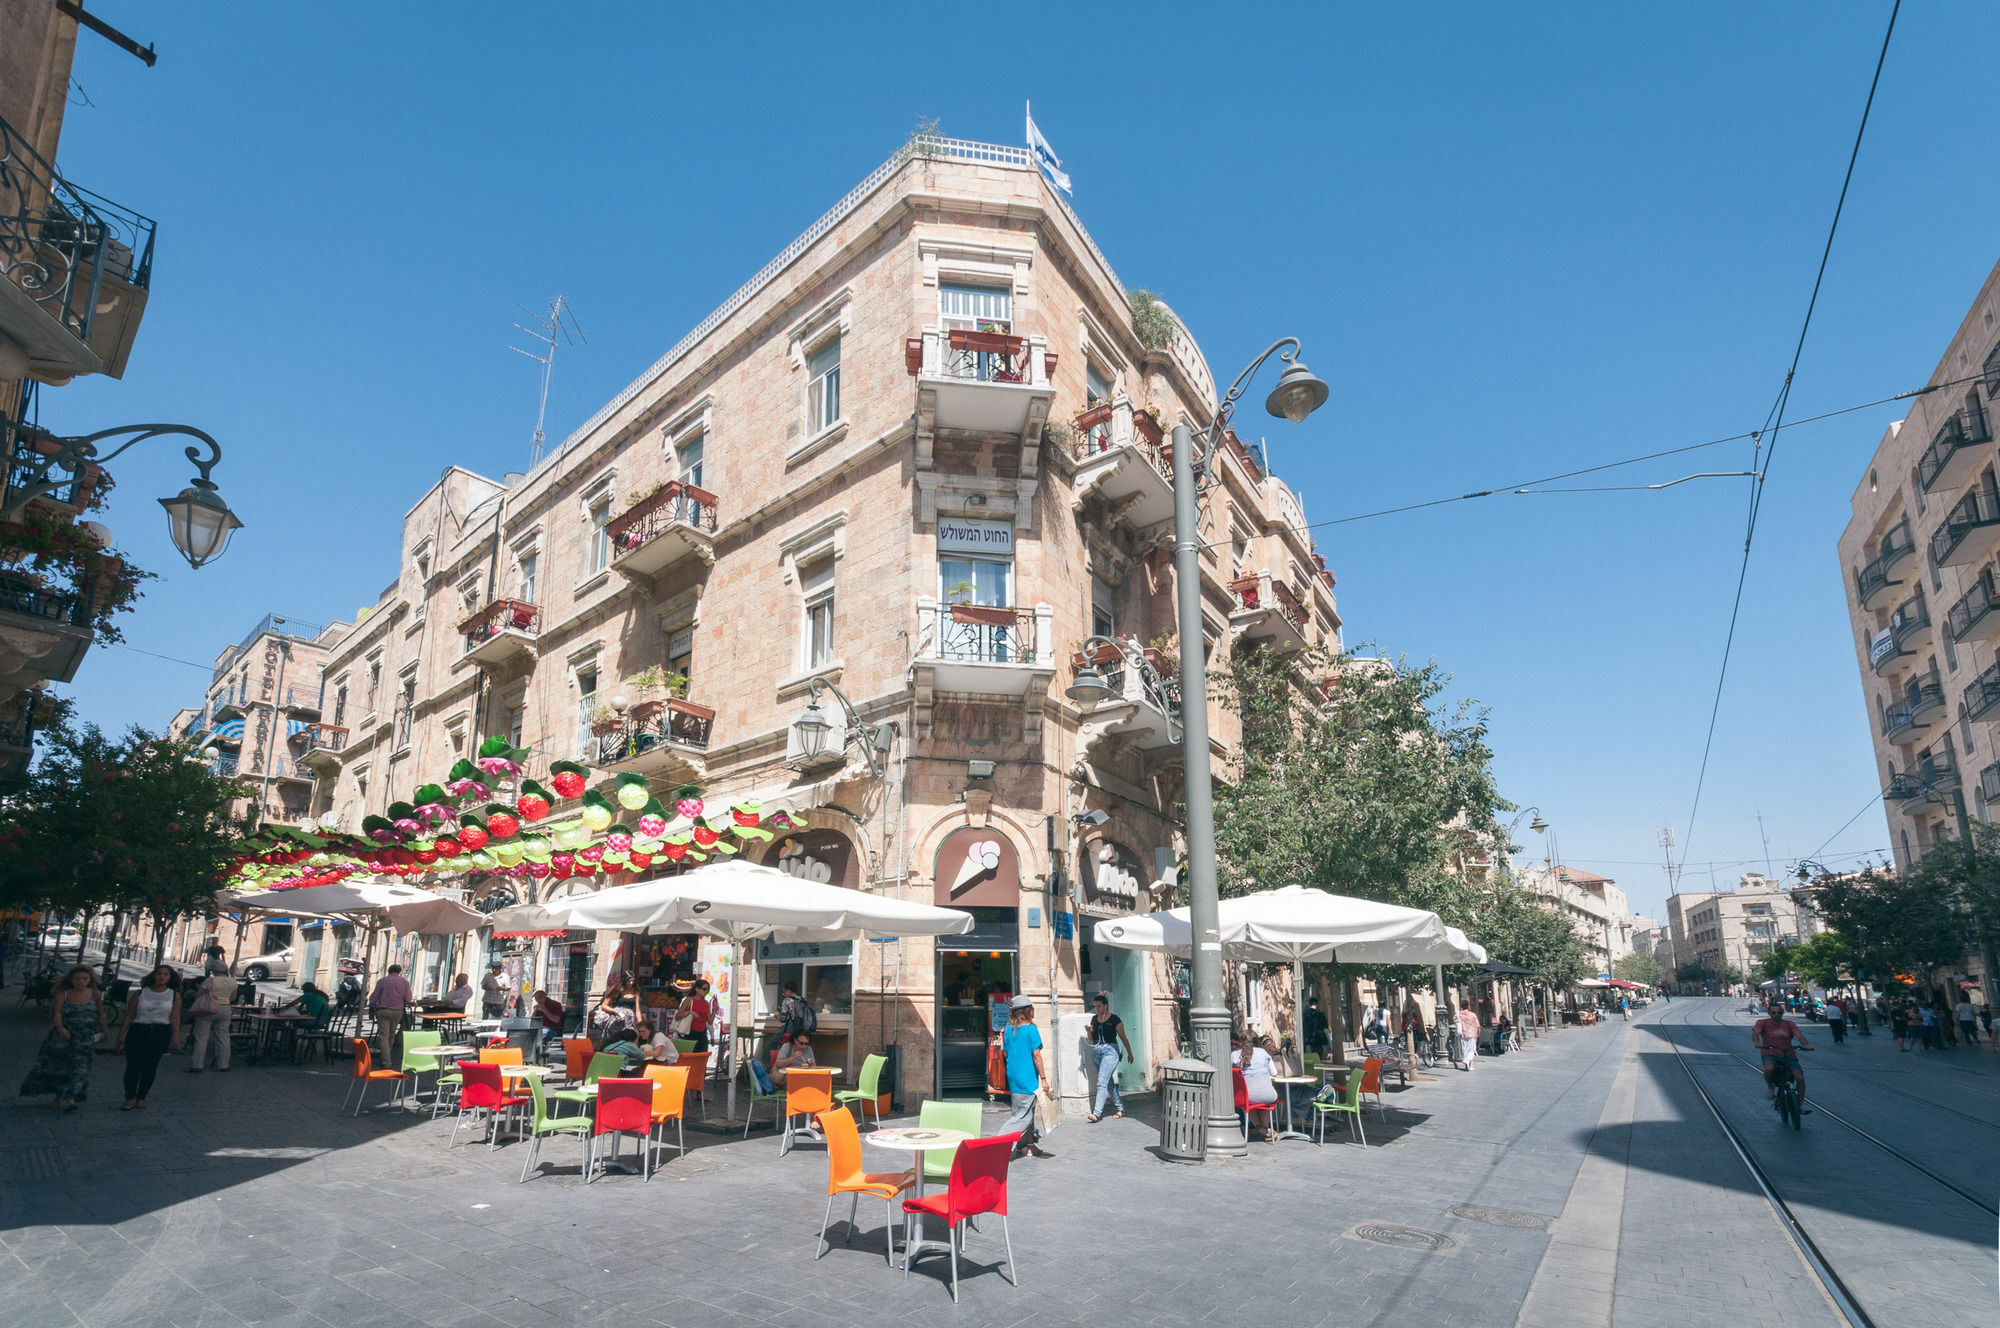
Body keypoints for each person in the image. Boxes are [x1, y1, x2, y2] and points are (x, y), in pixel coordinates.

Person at [26, 966, 105, 1111]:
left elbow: (101, 1014)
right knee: (61, 1068)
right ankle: (58, 1095)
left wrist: (104, 1031)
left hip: (84, 1038)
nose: (81, 982)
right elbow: (57, 1014)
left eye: (84, 979)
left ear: (90, 980)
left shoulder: (95, 995)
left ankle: (71, 1098)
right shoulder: (63, 994)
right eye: (77, 978)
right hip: (63, 1037)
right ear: (71, 980)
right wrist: (61, 1028)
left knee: (80, 1068)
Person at [115, 964, 183, 1111]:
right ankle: (130, 1097)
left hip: (160, 1032)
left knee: (150, 1067)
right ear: (153, 975)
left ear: (170, 978)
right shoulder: (140, 994)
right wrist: (120, 1035)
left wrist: (176, 1035)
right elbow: (129, 1015)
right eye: (159, 973)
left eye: (165, 974)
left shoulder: (174, 995)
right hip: (139, 1030)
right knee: (133, 1065)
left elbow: (175, 1016)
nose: (161, 977)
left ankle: (141, 1097)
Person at [1000, 994, 1052, 1159]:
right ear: (1026, 1011)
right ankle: (999, 1144)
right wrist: (1043, 1078)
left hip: (1014, 1077)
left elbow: (1005, 1053)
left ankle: (1029, 1146)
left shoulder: (1009, 1031)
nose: (1033, 1010)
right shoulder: (1031, 1029)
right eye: (1032, 1007)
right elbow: (1036, 1055)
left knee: (1024, 1111)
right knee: (1021, 1117)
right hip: (1027, 1077)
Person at [1752, 1000, 1812, 1112]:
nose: (1776, 1015)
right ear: (1769, 1013)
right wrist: (1757, 1043)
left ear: (1782, 1013)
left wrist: (1806, 1045)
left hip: (1788, 1054)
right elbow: (1755, 1033)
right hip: (1769, 1053)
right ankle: (1770, 1087)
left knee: (1799, 1077)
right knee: (1769, 1068)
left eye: (1779, 1013)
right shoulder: (1762, 1023)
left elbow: (1799, 1035)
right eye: (1774, 1013)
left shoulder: (1789, 1024)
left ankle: (1799, 1105)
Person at [1085, 992, 1133, 1122]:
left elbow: (1123, 1037)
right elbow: (1091, 1039)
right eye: (1095, 1006)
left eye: (1099, 1006)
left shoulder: (1114, 1019)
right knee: (1109, 1082)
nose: (1097, 1009)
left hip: (1110, 1052)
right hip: (1097, 1051)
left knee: (1101, 1082)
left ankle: (1097, 1113)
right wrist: (1089, 1031)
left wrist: (1130, 1053)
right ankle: (1120, 1108)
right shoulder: (1094, 1019)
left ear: (1105, 1006)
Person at [185, 966, 239, 1073]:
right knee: (223, 1037)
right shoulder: (233, 982)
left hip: (208, 1008)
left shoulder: (210, 981)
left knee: (201, 1037)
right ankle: (223, 1065)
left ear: (214, 971)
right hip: (225, 1008)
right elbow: (232, 998)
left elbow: (198, 995)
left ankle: (197, 1065)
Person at [1231, 1032, 1279, 1138]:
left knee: (1250, 1102)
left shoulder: (1234, 1055)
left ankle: (1258, 1126)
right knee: (1264, 1102)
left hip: (1246, 1098)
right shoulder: (1263, 1052)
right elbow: (1274, 1073)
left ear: (1240, 1043)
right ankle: (1266, 1129)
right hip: (1268, 1095)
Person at [369, 964, 412, 1066]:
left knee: (383, 1036)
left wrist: (371, 1008)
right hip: (397, 1011)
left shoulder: (382, 981)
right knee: (391, 1034)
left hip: (383, 1010)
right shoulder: (404, 982)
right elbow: (408, 999)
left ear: (388, 971)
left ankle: (386, 1060)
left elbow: (374, 997)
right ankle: (386, 1057)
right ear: (399, 972)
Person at [676, 977, 716, 1053]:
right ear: (697, 989)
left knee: (702, 1058)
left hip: (703, 1034)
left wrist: (714, 1009)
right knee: (691, 1058)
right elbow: (678, 1016)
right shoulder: (689, 1000)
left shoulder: (706, 1003)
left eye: (707, 990)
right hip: (691, 1032)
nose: (706, 991)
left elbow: (710, 1021)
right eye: (704, 989)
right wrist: (689, 1012)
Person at [531, 988, 565, 1056]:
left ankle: (537, 1054)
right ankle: (532, 1053)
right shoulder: (538, 1006)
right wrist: (534, 1011)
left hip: (553, 1029)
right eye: (536, 999)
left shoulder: (556, 1005)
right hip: (539, 1029)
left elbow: (556, 1020)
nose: (538, 1000)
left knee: (542, 1035)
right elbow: (532, 1021)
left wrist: (544, 1010)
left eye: (540, 998)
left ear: (544, 996)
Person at [1454, 1001, 1480, 1072]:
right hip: (1472, 1033)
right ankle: (1468, 1061)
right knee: (1472, 1049)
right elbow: (1477, 1025)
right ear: (1468, 1006)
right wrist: (1478, 1032)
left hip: (1464, 1033)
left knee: (1465, 1049)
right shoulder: (1473, 1014)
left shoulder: (1459, 1014)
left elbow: (1455, 1021)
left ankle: (1468, 1064)